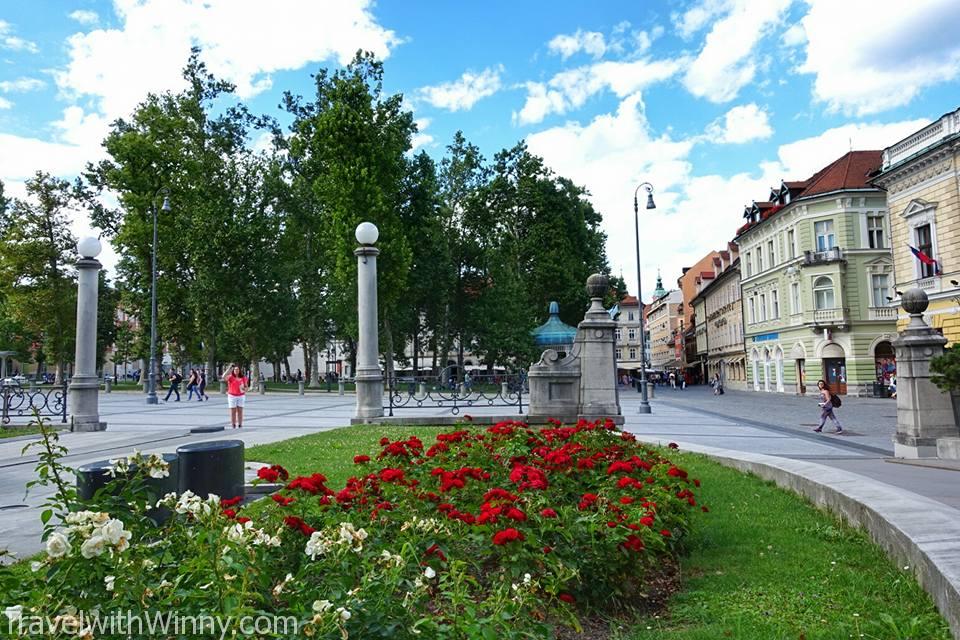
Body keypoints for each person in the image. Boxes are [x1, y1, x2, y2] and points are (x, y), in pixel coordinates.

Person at [222, 364, 247, 429]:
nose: (236, 370)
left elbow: (246, 387)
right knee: (233, 411)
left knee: (240, 411)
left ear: (239, 370)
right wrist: (228, 369)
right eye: (235, 369)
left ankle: (240, 425)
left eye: (237, 369)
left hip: (241, 396)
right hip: (232, 396)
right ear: (233, 370)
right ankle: (233, 425)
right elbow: (223, 377)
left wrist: (244, 389)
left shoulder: (243, 377)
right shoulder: (230, 377)